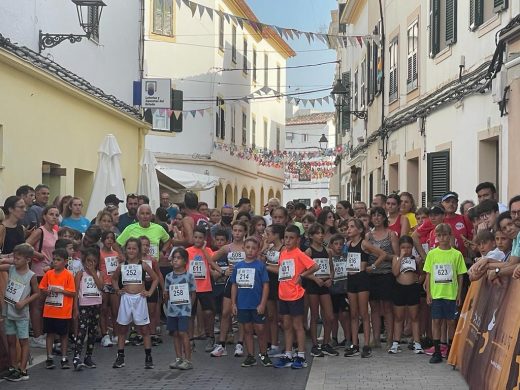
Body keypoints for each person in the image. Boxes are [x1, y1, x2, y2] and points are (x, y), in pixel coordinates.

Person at [268, 225, 318, 369]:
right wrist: (266, 265)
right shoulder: (283, 253)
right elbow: (280, 269)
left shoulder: (298, 253)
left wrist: (302, 276)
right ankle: (288, 353)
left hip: (295, 294)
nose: (288, 241)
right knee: (286, 325)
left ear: (298, 240)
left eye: (291, 238)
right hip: (283, 294)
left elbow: (314, 266)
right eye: (286, 238)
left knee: (298, 325)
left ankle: (301, 355)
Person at [111, 238, 158, 369]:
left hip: (140, 299)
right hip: (126, 298)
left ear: (138, 250)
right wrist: (117, 290)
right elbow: (114, 279)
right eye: (129, 248)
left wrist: (149, 292)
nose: (131, 250)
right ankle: (120, 357)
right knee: (122, 328)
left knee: (144, 329)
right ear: (125, 250)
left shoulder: (143, 265)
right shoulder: (122, 266)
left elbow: (155, 278)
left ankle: (148, 357)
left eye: (134, 248)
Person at [423, 223, 467, 364]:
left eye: (445, 235)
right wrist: (428, 294)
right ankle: (437, 351)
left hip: (451, 294)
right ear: (436, 237)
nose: (442, 238)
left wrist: (459, 294)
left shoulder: (456, 254)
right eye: (439, 235)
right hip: (437, 294)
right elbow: (428, 275)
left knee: (450, 323)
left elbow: (460, 275)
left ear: (450, 236)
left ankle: (450, 349)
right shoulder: (432, 254)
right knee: (436, 321)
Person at [343, 218, 386, 359]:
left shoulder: (364, 243)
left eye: (352, 227)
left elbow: (382, 254)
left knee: (363, 313)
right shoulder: (347, 244)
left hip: (362, 279)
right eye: (348, 227)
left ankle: (366, 344)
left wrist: (371, 267)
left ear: (360, 230)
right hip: (351, 279)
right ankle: (354, 344)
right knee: (353, 314)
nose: (348, 229)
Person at [0, 244, 39, 382]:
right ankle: (13, 367)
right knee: (10, 340)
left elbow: (37, 293)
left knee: (23, 341)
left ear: (28, 259)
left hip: (21, 314)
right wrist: (7, 259)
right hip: (9, 311)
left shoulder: (31, 276)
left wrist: (24, 302)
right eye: (14, 258)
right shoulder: (11, 269)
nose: (15, 260)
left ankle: (23, 370)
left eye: (18, 258)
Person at [231, 237, 271, 367]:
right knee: (247, 329)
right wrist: (233, 303)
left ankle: (264, 354)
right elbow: (234, 285)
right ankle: (250, 356)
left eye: (254, 248)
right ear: (243, 248)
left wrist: (263, 303)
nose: (250, 250)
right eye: (248, 247)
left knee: (260, 329)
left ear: (258, 250)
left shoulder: (260, 266)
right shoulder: (238, 266)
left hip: (257, 304)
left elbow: (266, 285)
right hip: (243, 304)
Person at [210, 222, 247, 357]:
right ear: (232, 232)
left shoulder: (247, 246)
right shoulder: (227, 248)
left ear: (244, 232)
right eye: (235, 230)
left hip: (244, 283)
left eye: (240, 230)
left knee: (241, 314)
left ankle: (240, 343)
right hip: (230, 282)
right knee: (225, 313)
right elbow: (211, 260)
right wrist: (222, 271)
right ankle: (222, 344)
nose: (237, 233)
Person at [366, 207, 398, 349]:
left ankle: (390, 338)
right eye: (374, 215)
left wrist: (382, 255)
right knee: (374, 307)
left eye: (380, 215)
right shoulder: (368, 236)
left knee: (387, 307)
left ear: (384, 218)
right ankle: (376, 338)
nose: (377, 218)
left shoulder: (391, 234)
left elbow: (397, 256)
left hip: (386, 274)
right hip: (372, 275)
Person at [26, 205, 59, 344]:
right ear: (44, 216)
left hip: (50, 272)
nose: (54, 217)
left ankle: (43, 332)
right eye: (51, 214)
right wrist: (37, 254)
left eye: (57, 215)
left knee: (45, 304)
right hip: (38, 271)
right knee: (37, 305)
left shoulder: (55, 232)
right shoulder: (41, 231)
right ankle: (37, 336)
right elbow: (26, 245)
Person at [39, 248, 76, 369]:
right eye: (54, 259)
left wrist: (61, 291)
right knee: (50, 334)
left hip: (63, 312)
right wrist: (46, 291)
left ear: (65, 261)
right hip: (50, 310)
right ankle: (49, 357)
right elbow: (42, 288)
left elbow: (72, 293)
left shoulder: (68, 275)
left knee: (63, 335)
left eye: (58, 260)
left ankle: (64, 358)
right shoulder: (49, 274)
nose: (55, 262)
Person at [186, 228, 222, 351]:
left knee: (208, 313)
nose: (197, 240)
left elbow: (212, 263)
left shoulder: (208, 251)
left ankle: (210, 337)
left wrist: (204, 250)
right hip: (191, 288)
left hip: (205, 286)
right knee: (191, 314)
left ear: (204, 239)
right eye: (195, 237)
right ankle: (190, 340)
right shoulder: (187, 251)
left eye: (200, 238)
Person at [304, 223, 337, 357]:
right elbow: (304, 271)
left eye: (322, 233)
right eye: (317, 233)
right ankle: (314, 345)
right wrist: (314, 278)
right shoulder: (309, 251)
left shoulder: (327, 251)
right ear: (311, 236)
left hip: (325, 283)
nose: (321, 235)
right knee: (315, 315)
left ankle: (326, 343)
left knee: (329, 315)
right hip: (313, 284)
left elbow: (331, 268)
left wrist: (330, 279)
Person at [389, 236, 424, 355]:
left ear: (412, 248)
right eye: (403, 247)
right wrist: (401, 257)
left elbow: (421, 273)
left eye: (408, 247)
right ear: (399, 248)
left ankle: (417, 343)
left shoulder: (415, 258)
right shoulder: (396, 258)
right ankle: (396, 342)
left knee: (414, 317)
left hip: (412, 288)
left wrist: (419, 268)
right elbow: (395, 272)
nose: (406, 249)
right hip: (399, 288)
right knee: (399, 317)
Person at [164, 247, 196, 370]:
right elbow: (166, 292)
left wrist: (189, 306)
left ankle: (188, 360)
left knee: (183, 332)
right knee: (175, 333)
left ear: (185, 261)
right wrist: (167, 305)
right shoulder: (168, 277)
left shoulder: (189, 276)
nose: (176, 261)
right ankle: (178, 358)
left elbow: (193, 293)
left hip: (184, 309)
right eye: (174, 258)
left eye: (179, 258)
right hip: (172, 310)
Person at [72, 247, 103, 371]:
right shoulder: (80, 274)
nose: (91, 264)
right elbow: (75, 292)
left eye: (94, 261)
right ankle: (77, 356)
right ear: (84, 261)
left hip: (96, 304)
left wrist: (94, 273)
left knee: (92, 331)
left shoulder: (100, 273)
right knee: (82, 330)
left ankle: (88, 357)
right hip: (84, 305)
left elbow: (101, 286)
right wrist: (75, 308)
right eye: (88, 261)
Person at [260, 224, 284, 356]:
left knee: (283, 316)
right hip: (269, 282)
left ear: (276, 235)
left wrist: (267, 266)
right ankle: (273, 343)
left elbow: (282, 269)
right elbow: (259, 260)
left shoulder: (283, 248)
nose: (265, 236)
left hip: (280, 283)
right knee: (271, 315)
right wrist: (263, 247)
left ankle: (289, 344)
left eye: (268, 234)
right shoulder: (268, 248)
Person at [139, 236, 165, 346]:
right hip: (140, 286)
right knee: (140, 311)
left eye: (147, 245)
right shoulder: (134, 260)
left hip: (152, 285)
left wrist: (164, 288)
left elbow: (158, 274)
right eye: (142, 245)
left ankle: (152, 333)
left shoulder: (152, 260)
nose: (145, 247)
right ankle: (140, 333)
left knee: (152, 311)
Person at [328, 234, 351, 348]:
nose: (339, 246)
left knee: (345, 315)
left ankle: (348, 339)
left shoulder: (347, 256)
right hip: (333, 290)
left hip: (344, 290)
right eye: (336, 244)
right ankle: (334, 338)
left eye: (341, 244)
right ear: (331, 245)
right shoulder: (329, 257)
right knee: (334, 316)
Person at [99, 231, 121, 347]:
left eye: (111, 238)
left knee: (115, 310)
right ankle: (105, 335)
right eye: (107, 238)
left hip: (113, 284)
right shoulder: (99, 254)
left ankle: (116, 335)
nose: (109, 240)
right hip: (104, 284)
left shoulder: (116, 254)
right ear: (103, 240)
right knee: (103, 310)